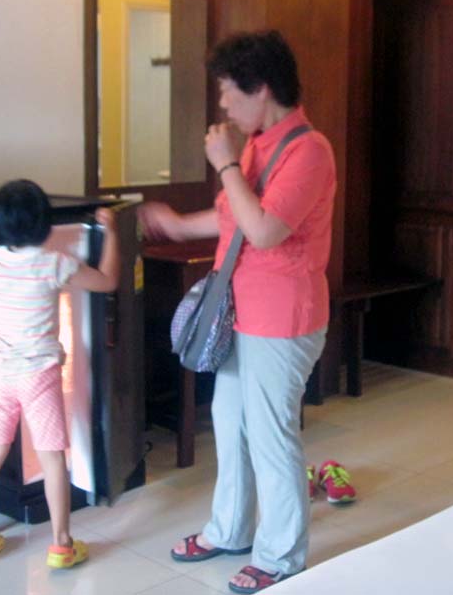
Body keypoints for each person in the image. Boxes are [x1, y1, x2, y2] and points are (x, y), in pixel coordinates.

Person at [140, 30, 336, 593]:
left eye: (228, 90)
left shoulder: (309, 151)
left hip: (284, 319)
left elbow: (265, 229)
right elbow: (235, 214)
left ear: (262, 88)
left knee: (271, 436)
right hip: (241, 313)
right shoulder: (258, 143)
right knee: (230, 426)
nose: (223, 104)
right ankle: (229, 529)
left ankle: (281, 556)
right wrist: (179, 225)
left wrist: (226, 164)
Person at [0, 179, 119, 569]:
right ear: (45, 225)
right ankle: (62, 544)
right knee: (51, 457)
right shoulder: (53, 263)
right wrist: (112, 233)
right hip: (39, 374)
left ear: (0, 223)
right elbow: (107, 280)